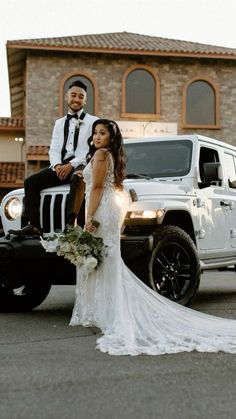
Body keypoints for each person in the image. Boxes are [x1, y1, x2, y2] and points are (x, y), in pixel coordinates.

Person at [68, 118, 236, 356]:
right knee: (106, 259)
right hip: (108, 208)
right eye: (95, 133)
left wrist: (88, 217)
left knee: (103, 258)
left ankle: (102, 309)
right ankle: (105, 308)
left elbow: (96, 188)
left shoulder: (101, 155)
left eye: (102, 133)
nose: (96, 137)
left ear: (110, 138)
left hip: (100, 209)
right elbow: (110, 184)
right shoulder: (108, 155)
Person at [9, 80, 98, 237]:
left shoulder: (93, 121)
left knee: (78, 179)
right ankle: (34, 226)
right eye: (73, 95)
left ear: (85, 100)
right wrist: (57, 165)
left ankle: (71, 225)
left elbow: (91, 150)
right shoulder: (59, 123)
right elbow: (54, 148)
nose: (77, 99)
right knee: (30, 182)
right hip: (60, 167)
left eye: (81, 96)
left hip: (79, 166)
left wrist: (71, 165)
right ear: (66, 97)